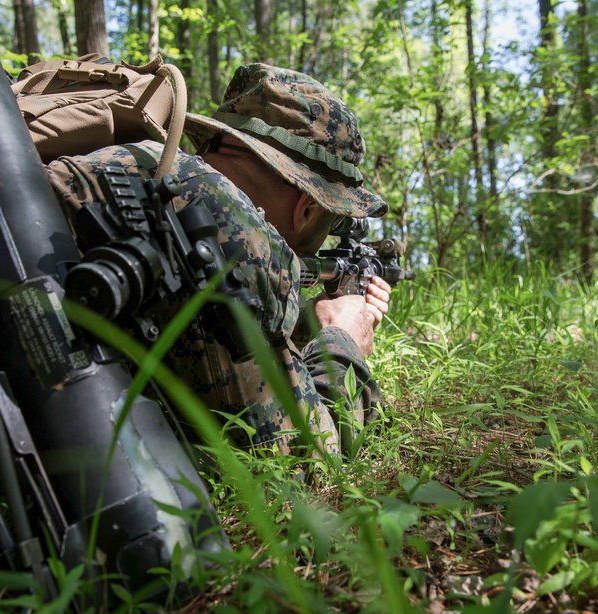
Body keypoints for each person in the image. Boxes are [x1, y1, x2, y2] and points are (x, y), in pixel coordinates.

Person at [45, 63, 392, 457]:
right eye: (332, 218)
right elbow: (303, 461)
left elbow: (207, 362)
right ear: (308, 209)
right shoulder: (230, 226)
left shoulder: (151, 172)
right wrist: (342, 339)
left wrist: (301, 327)